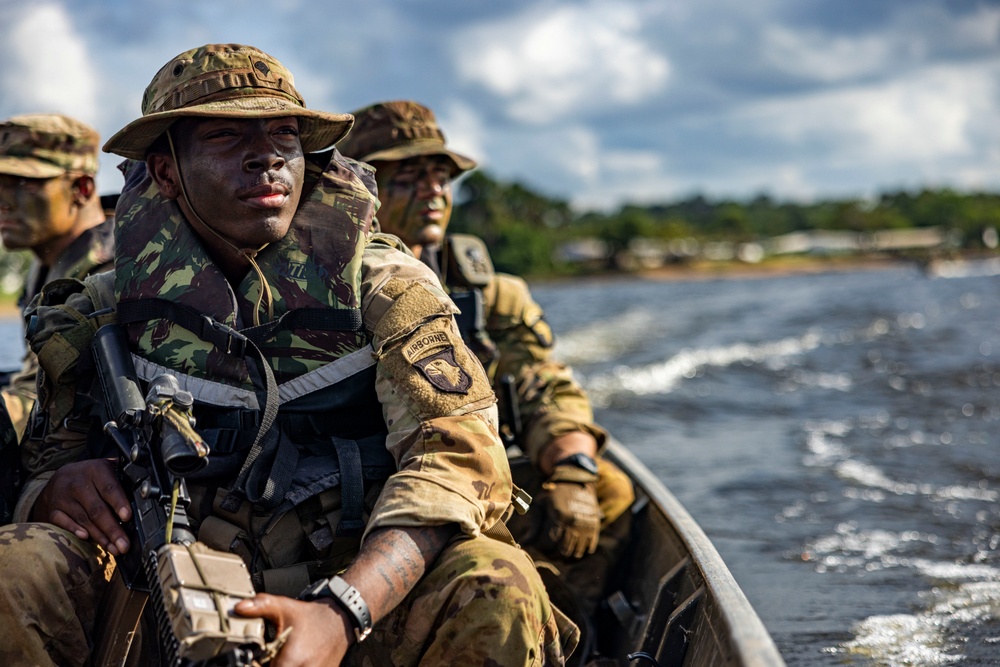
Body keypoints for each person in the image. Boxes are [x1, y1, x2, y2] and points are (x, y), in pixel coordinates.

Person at [0, 44, 575, 667]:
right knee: (16, 563)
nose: (266, 156)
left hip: (358, 585)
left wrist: (341, 610)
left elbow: (459, 458)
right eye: (224, 135)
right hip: (166, 592)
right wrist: (56, 489)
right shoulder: (100, 312)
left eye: (283, 134)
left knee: (497, 581)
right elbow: (39, 469)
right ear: (165, 173)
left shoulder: (386, 285)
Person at [337, 101, 635, 620]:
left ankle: (566, 614)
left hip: (481, 473)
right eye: (407, 176)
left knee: (608, 488)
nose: (432, 190)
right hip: (375, 487)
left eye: (440, 178)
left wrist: (572, 470)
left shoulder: (491, 295)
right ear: (361, 189)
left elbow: (543, 384)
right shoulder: (330, 292)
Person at [0, 114, 114, 440]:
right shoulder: (49, 264)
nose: (3, 201)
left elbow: (46, 395)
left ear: (81, 188)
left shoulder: (109, 276)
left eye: (22, 183)